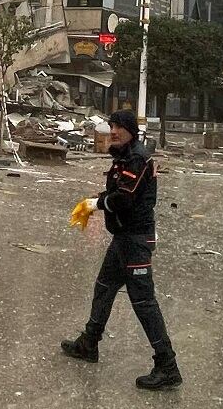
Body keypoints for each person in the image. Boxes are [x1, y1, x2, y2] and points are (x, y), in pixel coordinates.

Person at [60, 110, 181, 389]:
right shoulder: (124, 156)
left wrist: (96, 205)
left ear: (130, 131)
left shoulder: (136, 158)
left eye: (119, 127)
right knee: (104, 286)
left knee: (144, 303)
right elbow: (117, 191)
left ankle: (167, 365)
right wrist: (96, 200)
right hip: (122, 239)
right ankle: (89, 342)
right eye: (112, 125)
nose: (113, 131)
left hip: (135, 241)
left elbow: (125, 198)